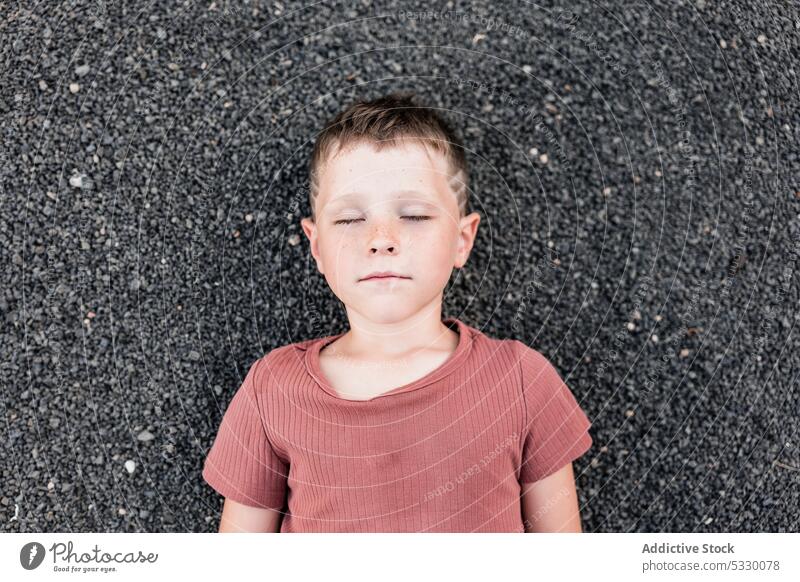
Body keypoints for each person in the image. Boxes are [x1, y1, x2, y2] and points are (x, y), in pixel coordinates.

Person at [202, 92, 593, 532]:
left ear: (462, 240)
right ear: (316, 246)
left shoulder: (521, 381)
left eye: (414, 215)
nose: (382, 238)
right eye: (350, 219)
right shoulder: (271, 390)